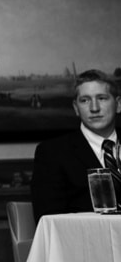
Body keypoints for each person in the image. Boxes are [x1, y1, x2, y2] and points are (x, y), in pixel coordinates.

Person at [30, 69, 121, 222]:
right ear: (76, 108)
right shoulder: (52, 153)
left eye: (102, 98)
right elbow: (50, 220)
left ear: (118, 105)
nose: (94, 108)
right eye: (85, 100)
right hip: (85, 236)